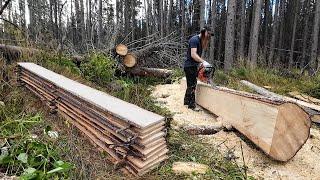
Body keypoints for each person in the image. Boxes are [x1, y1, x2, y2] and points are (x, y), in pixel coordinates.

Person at [183, 27, 212, 111]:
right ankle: (191, 106)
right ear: (204, 32)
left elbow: (196, 56)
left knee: (192, 84)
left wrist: (200, 64)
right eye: (208, 34)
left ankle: (186, 102)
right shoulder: (194, 40)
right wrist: (203, 62)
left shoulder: (200, 40)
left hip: (193, 65)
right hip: (189, 66)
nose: (208, 36)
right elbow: (193, 55)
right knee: (192, 85)